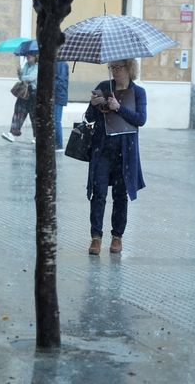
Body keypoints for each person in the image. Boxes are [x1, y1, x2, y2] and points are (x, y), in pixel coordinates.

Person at [85, 58, 146, 255]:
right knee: (99, 193)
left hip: (125, 152)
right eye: (112, 67)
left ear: (129, 69)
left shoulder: (138, 92)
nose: (115, 71)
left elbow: (141, 119)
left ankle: (117, 237)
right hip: (102, 149)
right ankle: (96, 237)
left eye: (119, 67)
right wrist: (93, 104)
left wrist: (118, 107)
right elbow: (89, 118)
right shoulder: (104, 87)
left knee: (120, 195)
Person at [1, 53, 38, 143]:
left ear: (35, 57)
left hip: (34, 93)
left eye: (30, 56)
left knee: (34, 115)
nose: (28, 57)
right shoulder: (26, 65)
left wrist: (23, 77)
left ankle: (37, 136)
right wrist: (20, 73)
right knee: (18, 111)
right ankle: (12, 133)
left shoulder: (37, 66)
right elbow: (22, 78)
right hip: (24, 92)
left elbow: (32, 77)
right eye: (27, 56)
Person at [54, 60, 70, 151]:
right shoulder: (57, 62)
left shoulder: (61, 63)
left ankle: (59, 144)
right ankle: (56, 143)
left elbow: (60, 81)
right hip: (56, 95)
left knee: (56, 121)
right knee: (54, 120)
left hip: (58, 95)